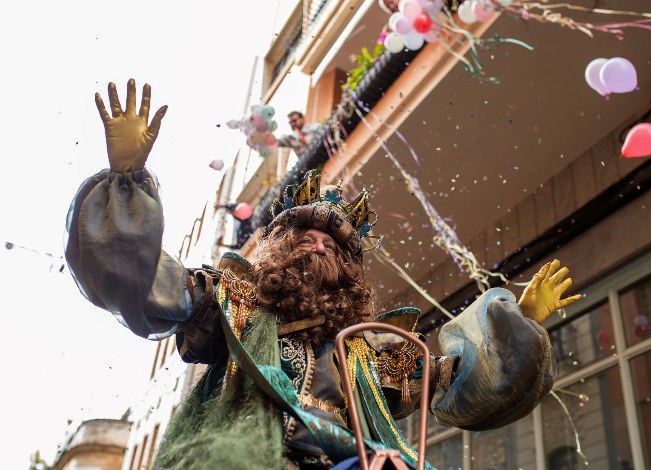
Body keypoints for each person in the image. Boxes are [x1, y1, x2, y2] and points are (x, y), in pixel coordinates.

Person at [66, 79, 581, 469]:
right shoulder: (231, 301)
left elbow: (449, 375)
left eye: (331, 246)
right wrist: (126, 181)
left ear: (348, 275)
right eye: (304, 238)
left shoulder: (365, 354)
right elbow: (146, 284)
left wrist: (517, 325)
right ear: (278, 253)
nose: (316, 246)